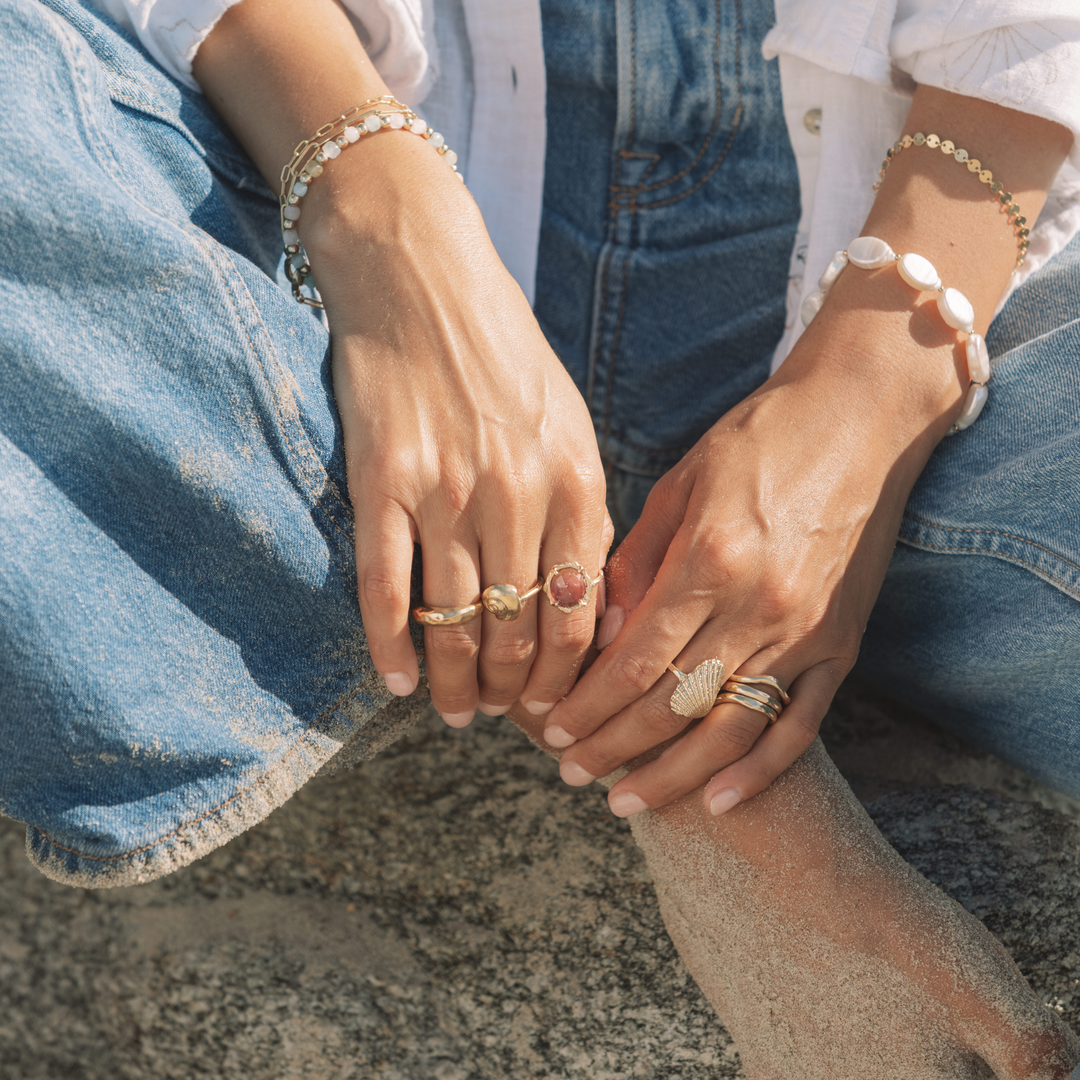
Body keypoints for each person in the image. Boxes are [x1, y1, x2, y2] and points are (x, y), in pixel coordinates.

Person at [2, 0, 1079, 1074]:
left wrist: (865, 406)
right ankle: (696, 782)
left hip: (947, 313)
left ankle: (510, 606)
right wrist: (384, 219)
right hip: (294, 278)